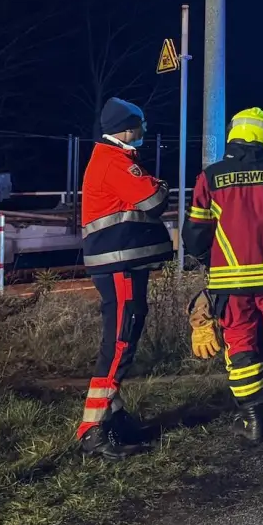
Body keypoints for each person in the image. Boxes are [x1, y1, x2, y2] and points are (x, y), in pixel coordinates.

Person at [182, 108, 263, 441]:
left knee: (240, 343)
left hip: (230, 282)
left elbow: (194, 233)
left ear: (233, 135)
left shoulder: (210, 178)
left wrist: (207, 259)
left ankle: (251, 418)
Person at [77, 97, 176, 459]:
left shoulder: (112, 159)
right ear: (128, 127)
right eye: (141, 124)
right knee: (119, 344)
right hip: (118, 265)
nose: (145, 130)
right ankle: (93, 429)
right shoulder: (115, 162)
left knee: (122, 340)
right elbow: (153, 199)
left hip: (121, 264)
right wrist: (159, 185)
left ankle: (113, 416)